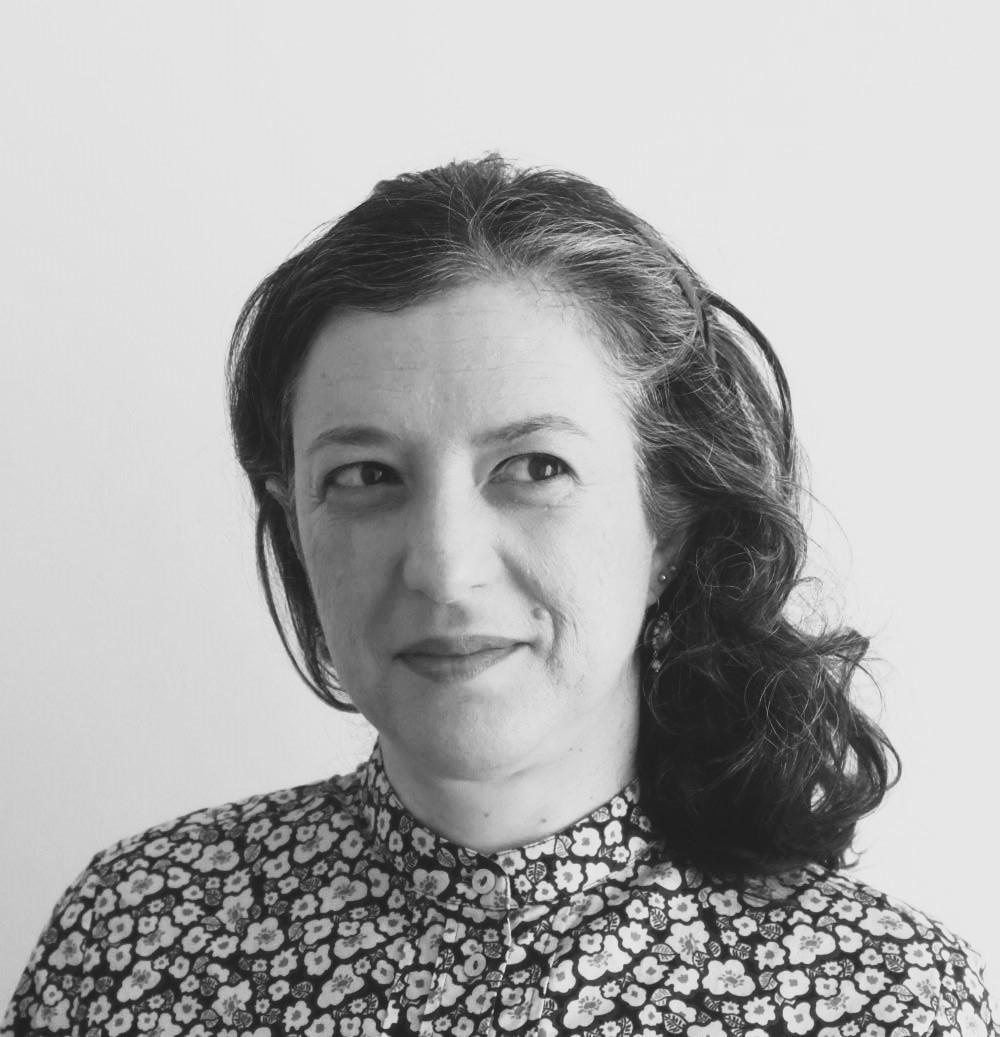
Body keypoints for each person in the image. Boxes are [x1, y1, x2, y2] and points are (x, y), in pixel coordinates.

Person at [3, 156, 995, 1037]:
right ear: (294, 519)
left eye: (533, 465)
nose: (442, 565)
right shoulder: (137, 933)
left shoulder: (882, 998)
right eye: (364, 476)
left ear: (671, 521)